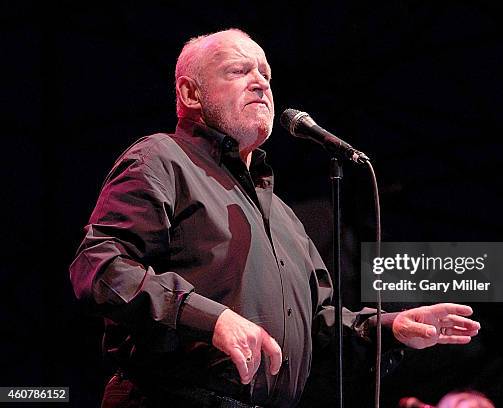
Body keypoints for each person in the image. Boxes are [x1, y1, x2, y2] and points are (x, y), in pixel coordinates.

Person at [69, 28, 481, 408]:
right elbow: (101, 267)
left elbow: (317, 325)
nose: (261, 81)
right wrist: (210, 319)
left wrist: (389, 327)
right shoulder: (161, 159)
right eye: (239, 70)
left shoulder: (283, 216)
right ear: (191, 93)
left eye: (266, 73)